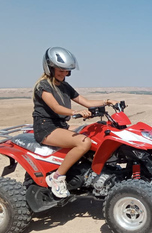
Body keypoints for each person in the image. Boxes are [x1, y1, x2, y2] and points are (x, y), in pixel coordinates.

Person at [32, 47, 118, 198]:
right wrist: (75, 112)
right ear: (50, 67)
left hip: (60, 126)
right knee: (83, 142)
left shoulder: (64, 86)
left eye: (66, 71)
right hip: (46, 128)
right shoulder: (43, 86)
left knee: (96, 130)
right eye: (60, 70)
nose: (64, 74)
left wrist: (107, 101)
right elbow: (56, 107)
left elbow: (85, 101)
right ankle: (57, 177)